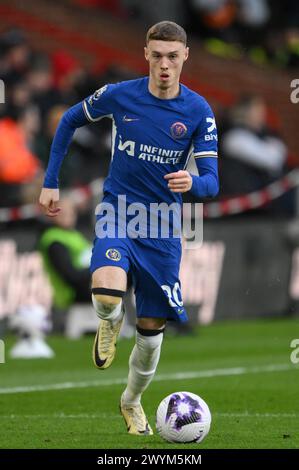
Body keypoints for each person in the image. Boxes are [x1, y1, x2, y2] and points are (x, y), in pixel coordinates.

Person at [39, 21, 219, 436]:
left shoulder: (198, 111)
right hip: (118, 212)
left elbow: (212, 181)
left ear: (185, 57)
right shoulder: (120, 95)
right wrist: (52, 180)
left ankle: (132, 401)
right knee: (105, 289)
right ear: (146, 55)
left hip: (162, 228)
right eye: (157, 55)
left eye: (172, 56)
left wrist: (192, 183)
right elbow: (68, 120)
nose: (164, 65)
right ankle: (109, 317)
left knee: (152, 332)